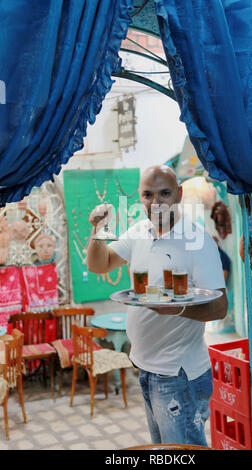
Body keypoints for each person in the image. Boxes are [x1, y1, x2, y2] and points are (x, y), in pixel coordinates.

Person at [87, 165, 228, 446]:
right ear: (140, 197)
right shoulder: (139, 232)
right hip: (146, 367)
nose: (156, 202)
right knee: (164, 450)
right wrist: (97, 229)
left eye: (164, 193)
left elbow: (220, 307)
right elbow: (99, 264)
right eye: (148, 195)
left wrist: (177, 308)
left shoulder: (197, 239)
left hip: (178, 373)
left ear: (179, 193)